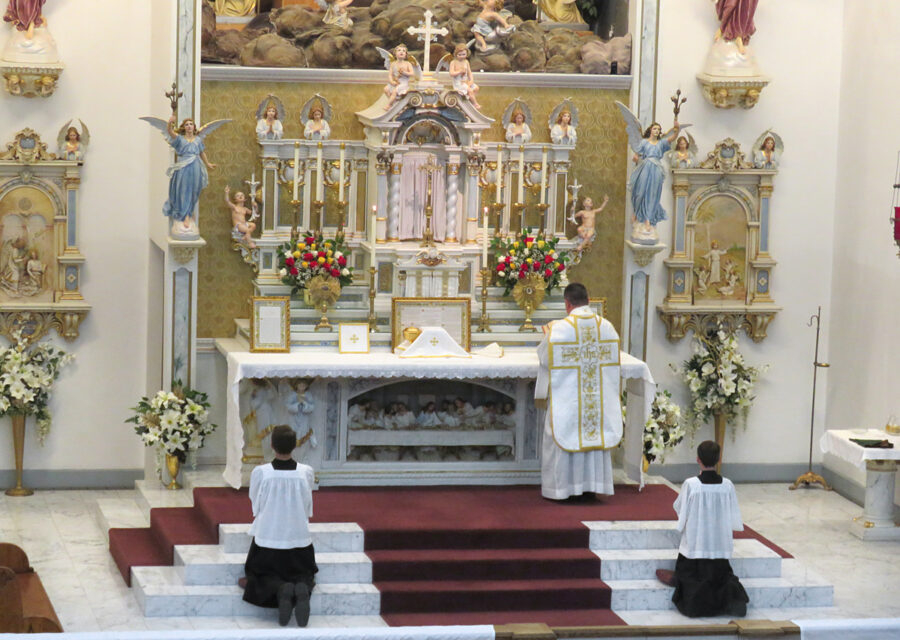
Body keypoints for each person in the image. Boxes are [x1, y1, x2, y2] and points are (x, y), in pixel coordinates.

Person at [535, 282, 623, 501]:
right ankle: (592, 486)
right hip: (596, 401)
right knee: (593, 433)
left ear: (567, 303)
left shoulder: (558, 329)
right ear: (588, 301)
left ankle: (564, 490)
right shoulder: (607, 327)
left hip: (570, 400)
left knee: (564, 428)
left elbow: (545, 359)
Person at [656, 440, 749, 618]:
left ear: (698, 459)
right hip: (718, 546)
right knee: (722, 574)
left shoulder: (691, 484)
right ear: (719, 459)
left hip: (696, 546)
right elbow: (733, 514)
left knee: (690, 574)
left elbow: (680, 508)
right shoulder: (727, 485)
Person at [243, 425, 318, 627]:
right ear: (295, 446)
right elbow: (306, 502)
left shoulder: (262, 472)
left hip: (268, 541)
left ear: (271, 445)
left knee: (259, 575)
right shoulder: (305, 472)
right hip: (299, 542)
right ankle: (301, 586)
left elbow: (255, 502)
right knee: (305, 574)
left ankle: (281, 588)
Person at [162, 116, 217, 236]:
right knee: (183, 190)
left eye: (191, 124)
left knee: (194, 191)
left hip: (195, 166)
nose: (189, 126)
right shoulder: (180, 139)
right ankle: (184, 215)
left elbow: (202, 152)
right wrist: (170, 123)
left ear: (194, 127)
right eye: (186, 124)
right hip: (183, 167)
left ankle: (189, 213)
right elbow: (170, 132)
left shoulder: (197, 140)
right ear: (184, 127)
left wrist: (208, 164)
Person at [629, 119, 679, 242]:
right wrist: (636, 157)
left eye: (658, 129)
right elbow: (637, 154)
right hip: (645, 167)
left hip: (656, 168)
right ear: (650, 130)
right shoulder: (644, 142)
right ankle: (636, 212)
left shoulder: (661, 143)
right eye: (655, 128)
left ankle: (647, 220)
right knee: (640, 191)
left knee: (652, 195)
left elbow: (671, 139)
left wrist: (677, 130)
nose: (657, 131)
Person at [449, 43, 480, 109]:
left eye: (463, 54)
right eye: (459, 55)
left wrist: (471, 80)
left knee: (476, 88)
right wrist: (459, 71)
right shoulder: (453, 62)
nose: (462, 56)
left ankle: (469, 101)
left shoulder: (466, 62)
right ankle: (475, 104)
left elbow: (469, 73)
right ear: (456, 54)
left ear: (466, 54)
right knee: (470, 90)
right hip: (459, 83)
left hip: (465, 81)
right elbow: (451, 73)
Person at [383, 44, 414, 110]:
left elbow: (412, 73)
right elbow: (390, 75)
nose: (401, 52)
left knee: (394, 91)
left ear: (406, 54)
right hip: (395, 82)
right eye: (399, 50)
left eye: (404, 51)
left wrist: (404, 73)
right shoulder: (393, 64)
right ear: (395, 53)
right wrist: (392, 81)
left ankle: (389, 104)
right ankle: (394, 102)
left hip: (403, 83)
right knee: (386, 89)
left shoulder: (407, 64)